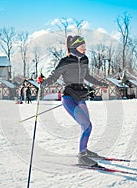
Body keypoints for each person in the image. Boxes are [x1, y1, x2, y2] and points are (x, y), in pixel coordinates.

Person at [39, 35, 108, 167]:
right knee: (87, 126)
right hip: (69, 98)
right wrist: (43, 82)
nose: (85, 49)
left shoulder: (85, 60)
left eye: (85, 46)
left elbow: (87, 76)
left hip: (81, 97)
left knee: (86, 126)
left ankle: (85, 150)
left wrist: (99, 84)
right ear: (75, 47)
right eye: (82, 46)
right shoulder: (65, 61)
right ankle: (82, 157)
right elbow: (54, 77)